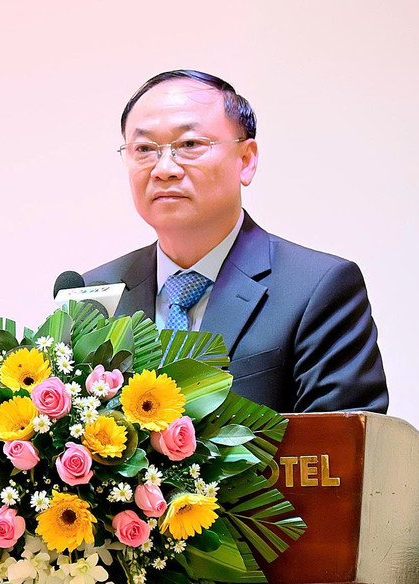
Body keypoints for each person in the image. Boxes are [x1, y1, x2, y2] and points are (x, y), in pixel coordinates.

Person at [83, 70, 388, 414]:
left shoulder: (318, 288)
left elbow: (342, 449)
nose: (164, 168)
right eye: (144, 149)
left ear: (246, 160)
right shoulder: (94, 294)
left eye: (190, 145)